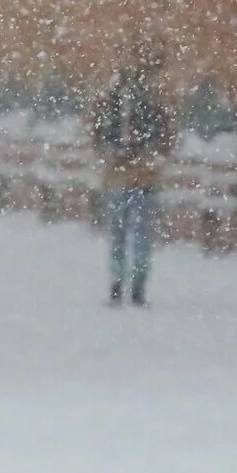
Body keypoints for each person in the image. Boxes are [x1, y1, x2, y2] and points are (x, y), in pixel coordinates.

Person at [92, 45, 174, 307]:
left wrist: (112, 153)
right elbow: (165, 135)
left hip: (122, 174)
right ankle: (136, 284)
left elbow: (100, 135)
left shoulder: (113, 101)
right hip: (142, 175)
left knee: (121, 231)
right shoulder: (153, 101)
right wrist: (152, 156)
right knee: (139, 232)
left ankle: (120, 283)